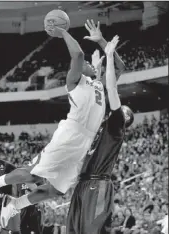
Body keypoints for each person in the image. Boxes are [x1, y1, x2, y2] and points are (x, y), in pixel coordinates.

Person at [0, 20, 124, 229]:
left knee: (56, 189)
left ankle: (15, 205)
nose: (89, 64)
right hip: (71, 134)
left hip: (84, 142)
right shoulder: (75, 81)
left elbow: (119, 67)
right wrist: (63, 31)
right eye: (86, 65)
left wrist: (102, 41)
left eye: (92, 65)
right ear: (79, 70)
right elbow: (79, 55)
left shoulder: (99, 85)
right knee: (32, 174)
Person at [66, 35, 134, 234]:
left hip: (99, 182)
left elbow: (112, 87)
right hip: (83, 183)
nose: (122, 110)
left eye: (125, 111)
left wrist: (109, 52)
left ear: (125, 119)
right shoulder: (99, 122)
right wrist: (97, 67)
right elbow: (99, 93)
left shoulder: (116, 125)